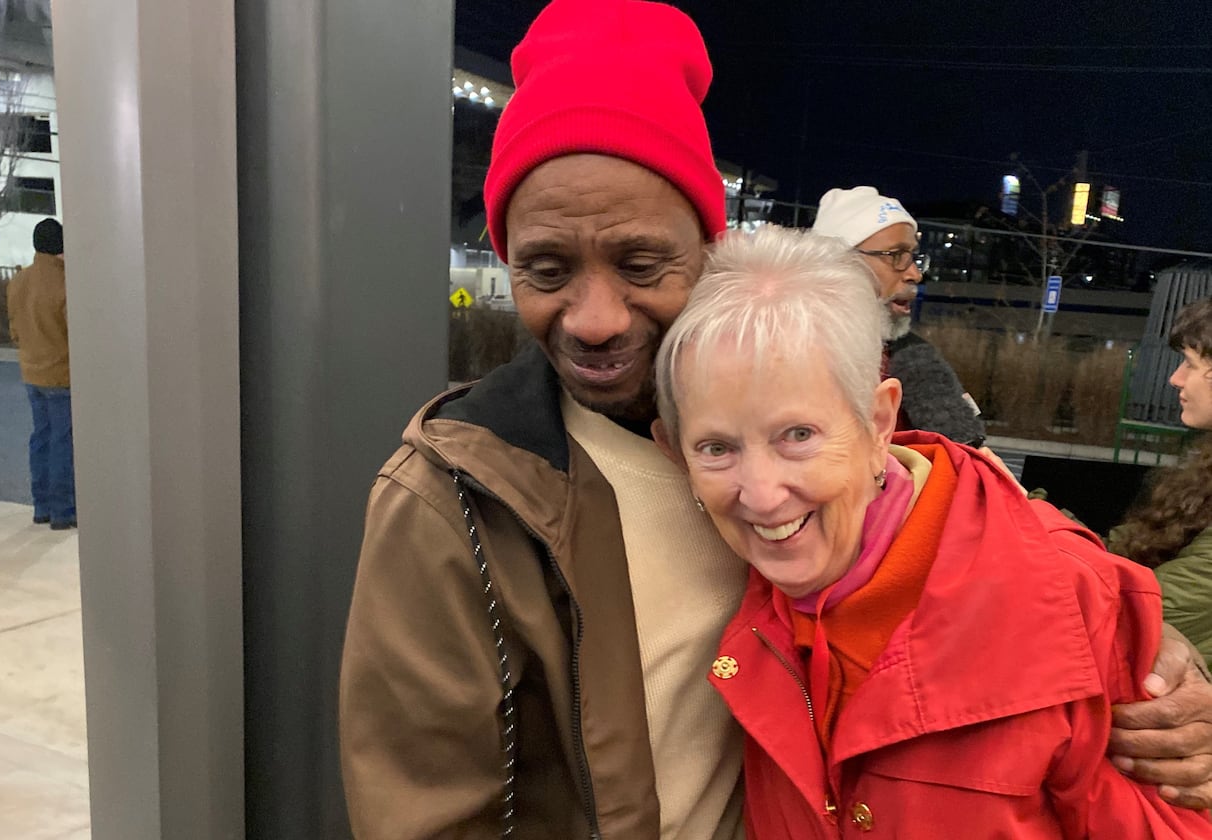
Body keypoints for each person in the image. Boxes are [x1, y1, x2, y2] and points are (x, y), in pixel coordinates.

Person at [338, 1, 1212, 836]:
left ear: (710, 252)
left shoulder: (807, 440)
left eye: (641, 263)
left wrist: (1130, 640)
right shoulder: (454, 502)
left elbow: (957, 518)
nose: (594, 317)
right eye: (546, 269)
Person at [651, 226, 1212, 837]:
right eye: (716, 447)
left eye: (798, 435)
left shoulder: (1066, 600)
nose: (760, 494)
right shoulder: (735, 594)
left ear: (879, 421)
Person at [812, 186, 986, 447]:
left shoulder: (914, 358)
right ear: (838, 263)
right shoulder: (778, 357)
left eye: (913, 256)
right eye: (896, 255)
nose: (914, 274)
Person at [1111, 298, 1212, 668]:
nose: (1176, 378)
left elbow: (1136, 611)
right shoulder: (1201, 471)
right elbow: (1112, 556)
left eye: (1190, 363)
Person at [6, 217, 75, 530]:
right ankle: (64, 511)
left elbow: (15, 331)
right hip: (62, 374)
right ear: (60, 247)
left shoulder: (18, 281)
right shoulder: (66, 284)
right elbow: (75, 333)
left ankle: (42, 506)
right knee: (64, 442)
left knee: (41, 438)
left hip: (31, 373)